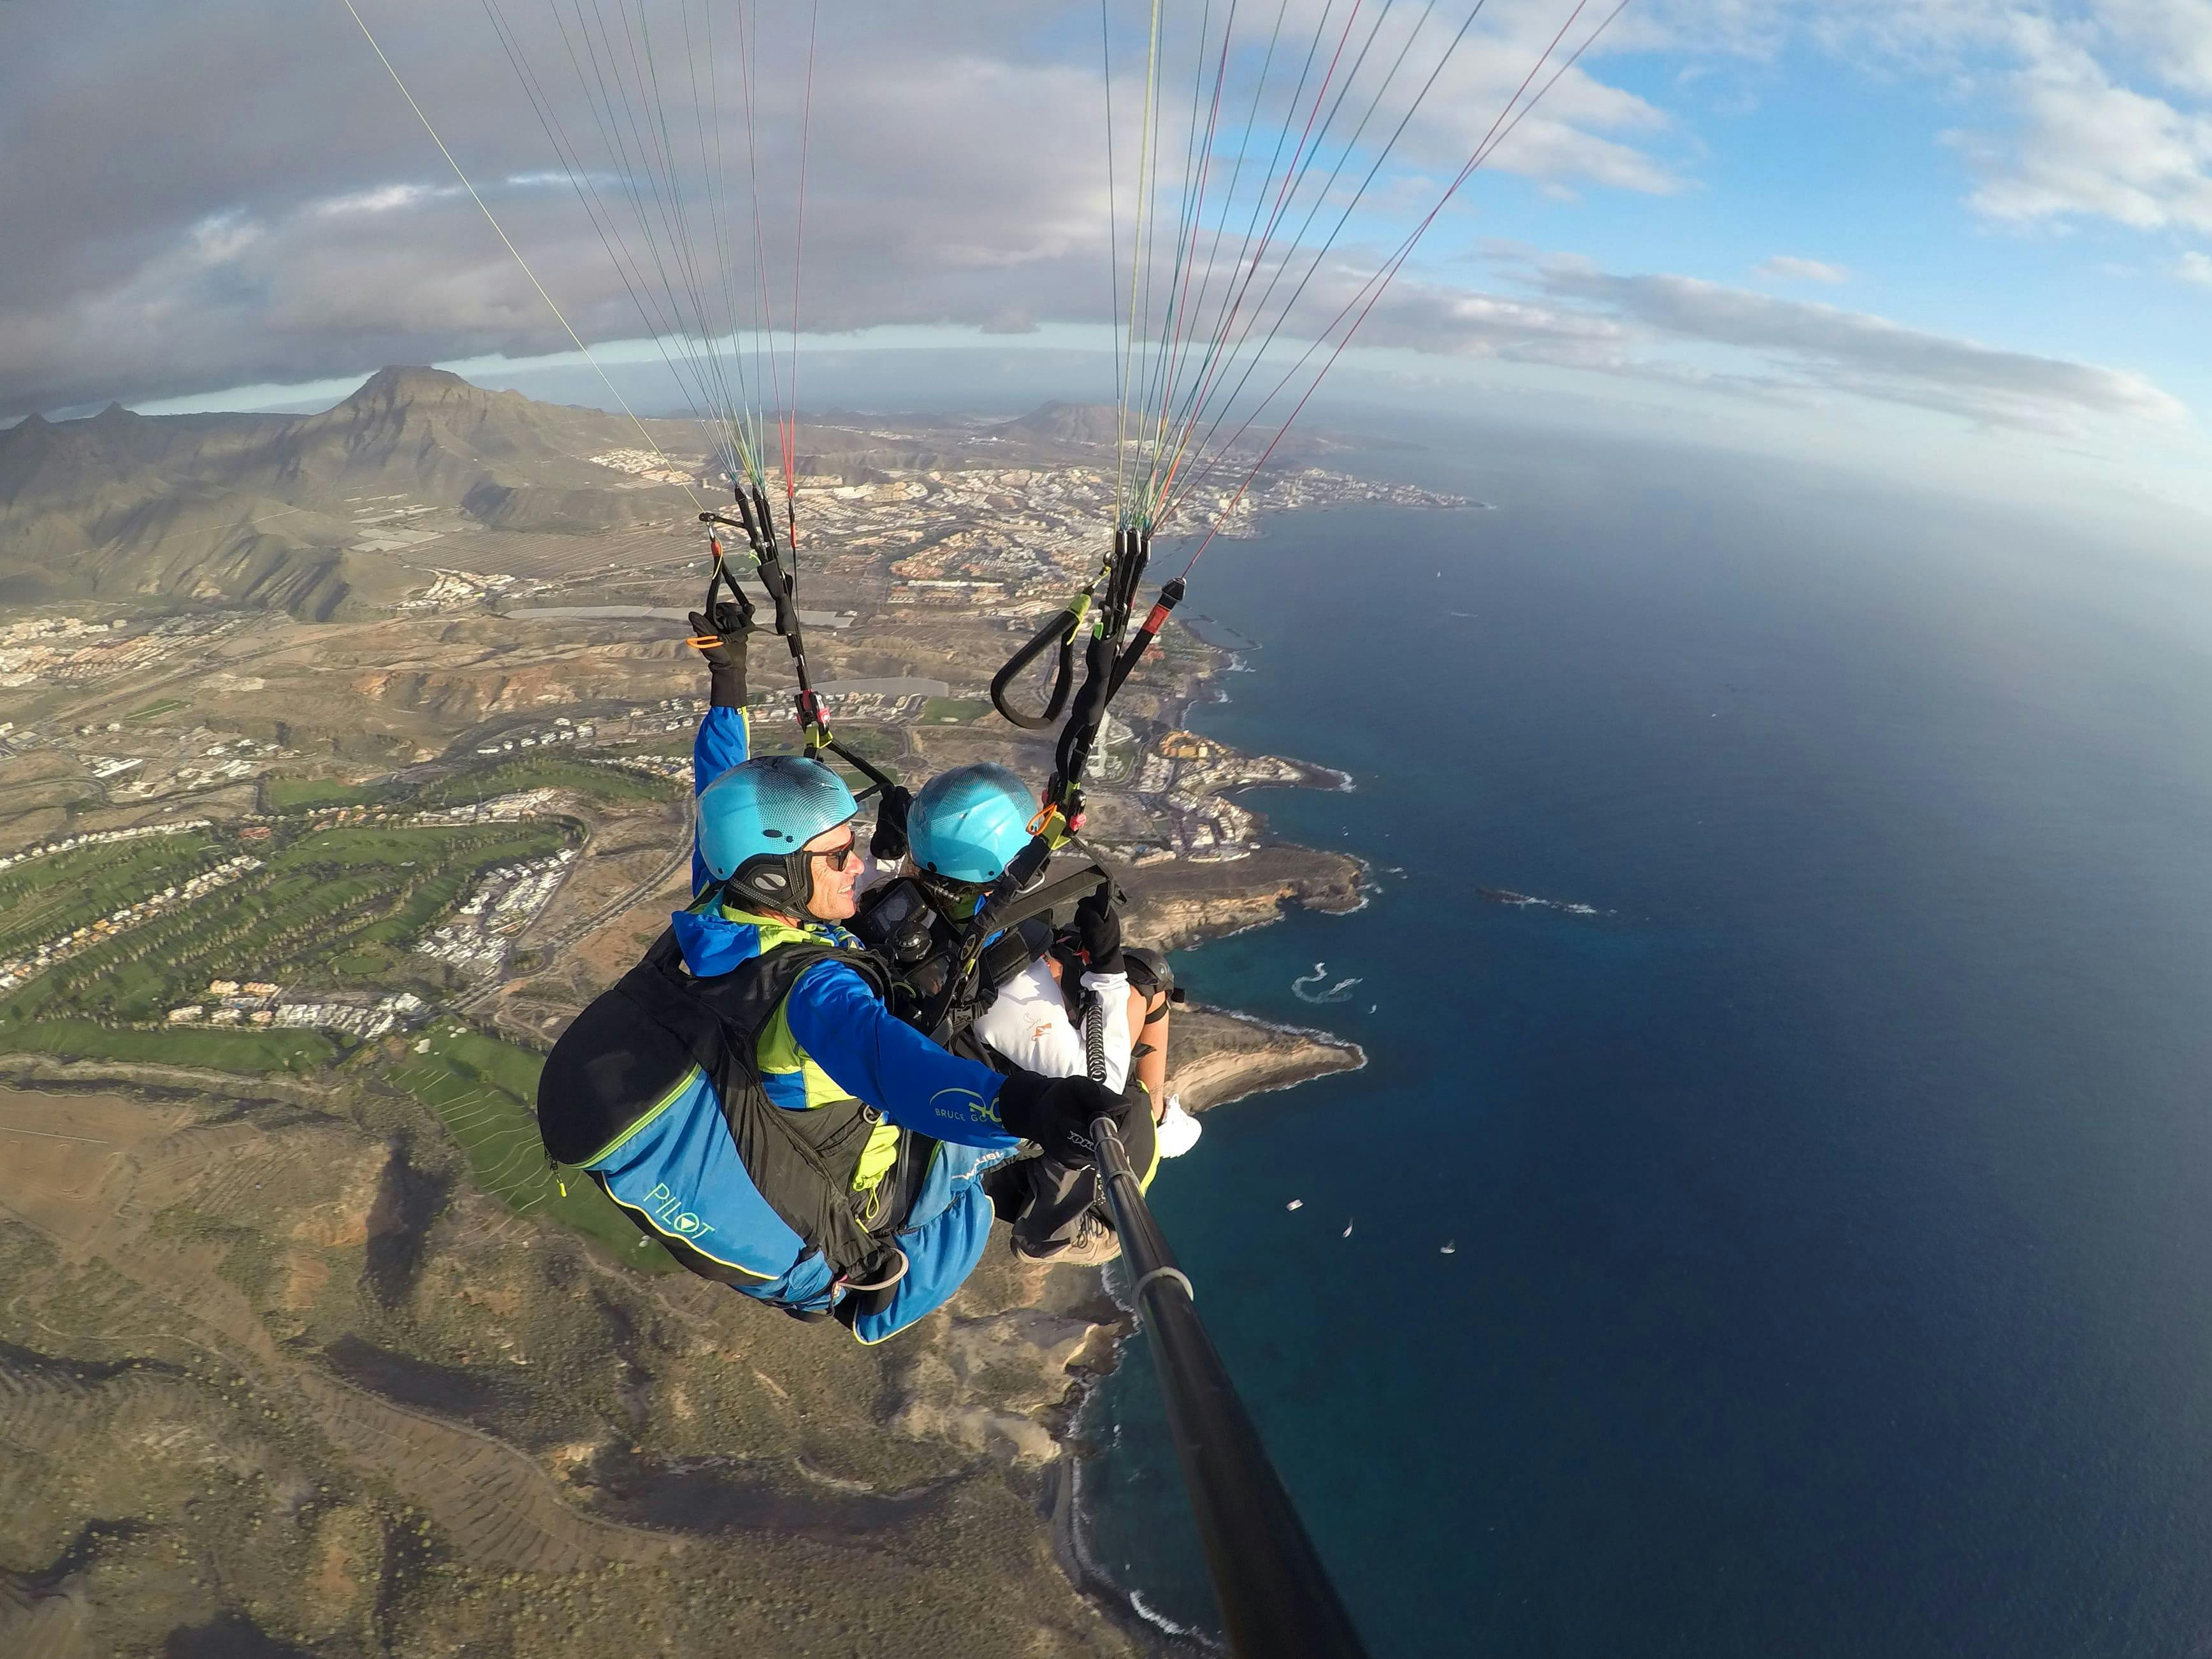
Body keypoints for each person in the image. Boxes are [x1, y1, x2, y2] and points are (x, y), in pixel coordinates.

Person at [535, 604, 1153, 1343]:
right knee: (979, 1166)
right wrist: (1029, 1109)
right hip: (870, 1246)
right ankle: (1033, 1222)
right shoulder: (809, 993)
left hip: (782, 1127)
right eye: (837, 855)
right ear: (778, 876)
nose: (858, 865)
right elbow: (895, 1069)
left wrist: (728, 685)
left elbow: (723, 787)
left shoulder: (722, 902)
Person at [894, 762, 1200, 1264]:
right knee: (1146, 977)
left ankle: (1161, 1113)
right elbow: (1097, 1087)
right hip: (1082, 1168)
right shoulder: (1006, 989)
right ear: (1005, 865)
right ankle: (1152, 1124)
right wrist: (1105, 970)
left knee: (1116, 974)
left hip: (975, 1076)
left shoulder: (914, 907)